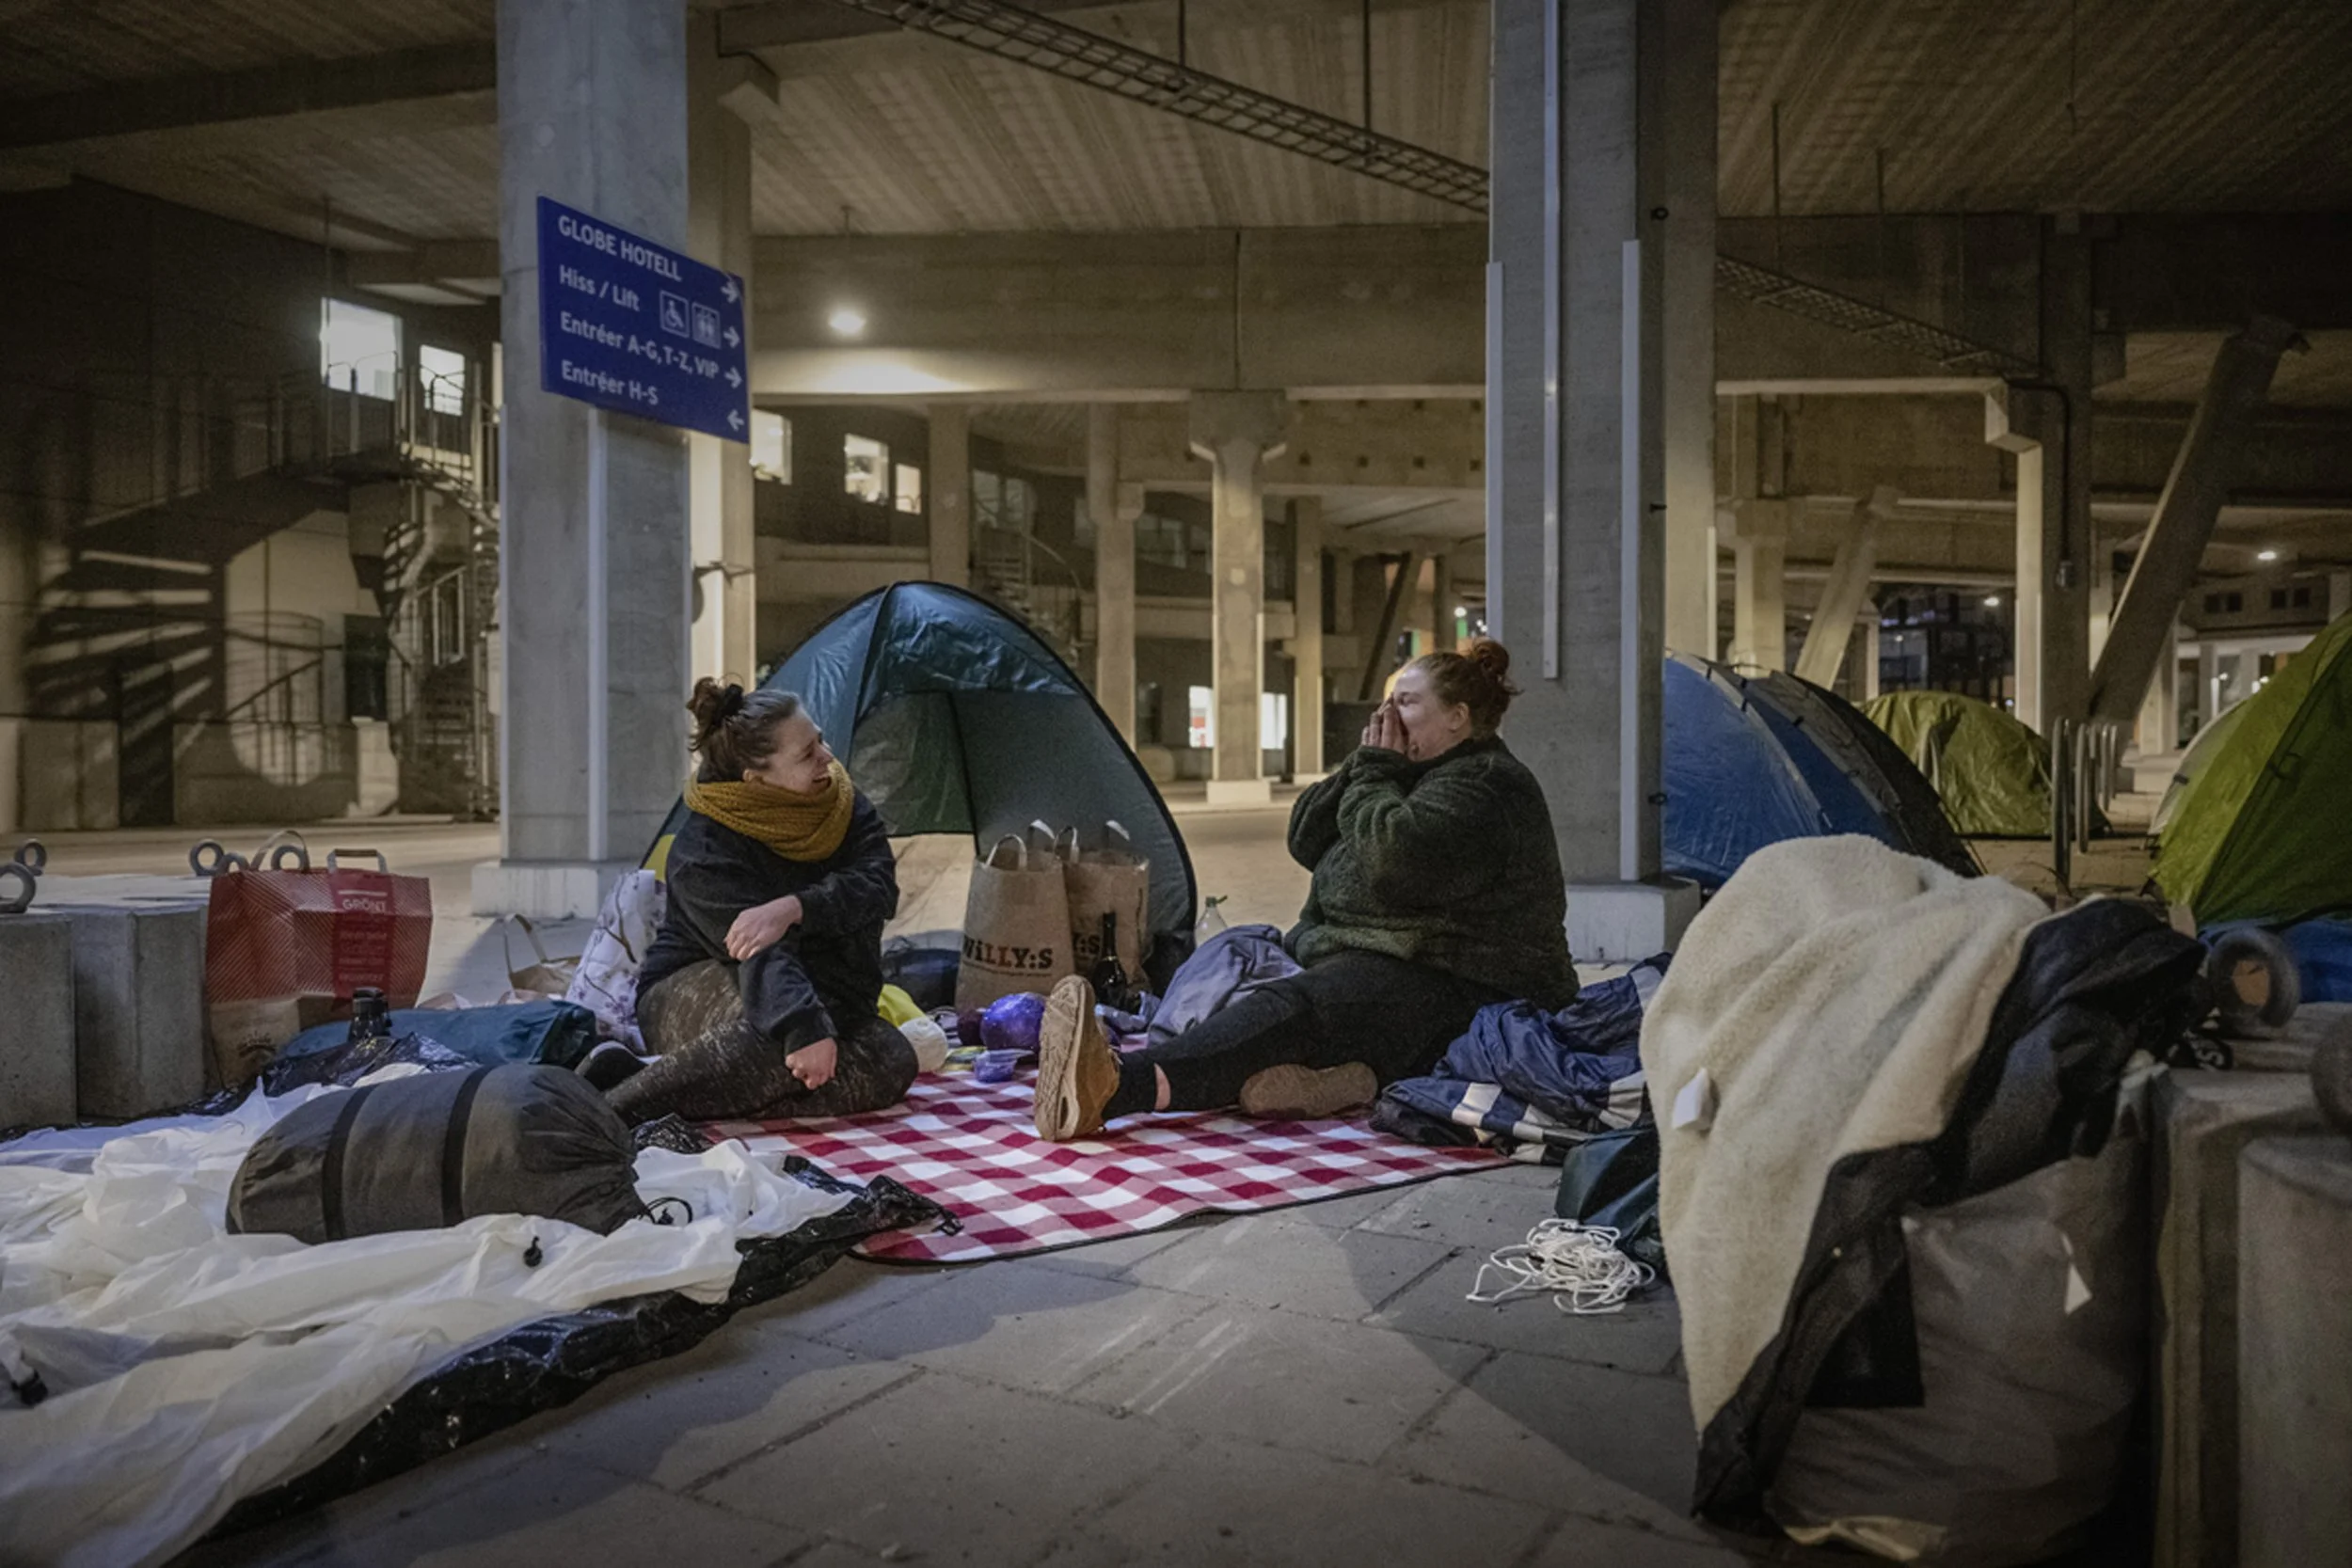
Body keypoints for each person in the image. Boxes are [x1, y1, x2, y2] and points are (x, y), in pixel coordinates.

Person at [1032, 637, 1578, 1142]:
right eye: (1388, 703)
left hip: (1468, 987)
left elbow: (1397, 860)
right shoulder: (1404, 769)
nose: (1387, 717)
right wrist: (1365, 764)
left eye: (1407, 704)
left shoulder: (1487, 784)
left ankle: (1116, 1085)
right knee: (1240, 974)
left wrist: (1373, 775)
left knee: (1302, 1006)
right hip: (1380, 965)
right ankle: (1343, 1080)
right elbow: (1306, 835)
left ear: (1457, 718)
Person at [601, 679, 916, 1125]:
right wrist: (802, 1025)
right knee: (774, 1039)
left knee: (891, 1058)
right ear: (756, 779)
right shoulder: (702, 849)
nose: (827, 756)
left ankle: (689, 1086)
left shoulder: (841, 804)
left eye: (820, 740)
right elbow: (759, 952)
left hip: (822, 991)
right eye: (807, 754)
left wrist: (793, 907)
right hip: (698, 986)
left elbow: (877, 886)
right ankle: (609, 1109)